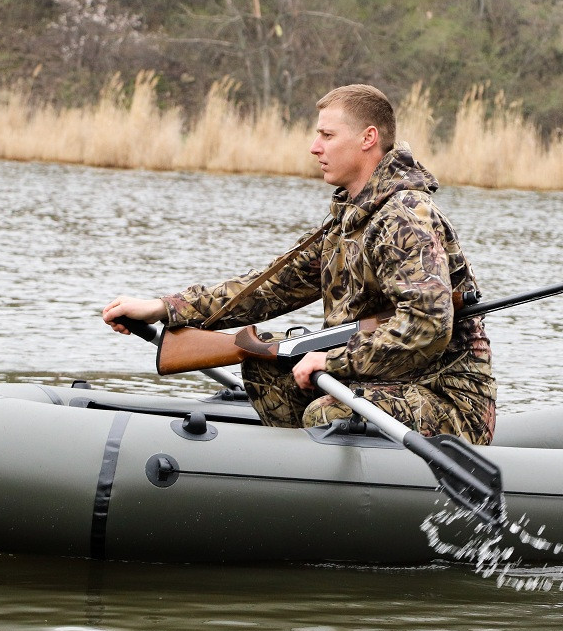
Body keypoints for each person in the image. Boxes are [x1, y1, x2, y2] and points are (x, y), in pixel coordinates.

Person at [103, 84, 495, 443]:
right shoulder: (347, 223)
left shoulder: (405, 215)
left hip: (446, 400)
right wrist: (165, 307)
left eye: (327, 135)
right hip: (386, 383)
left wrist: (332, 360)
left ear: (367, 138)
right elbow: (267, 289)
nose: (314, 147)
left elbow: (428, 326)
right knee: (265, 368)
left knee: (331, 411)